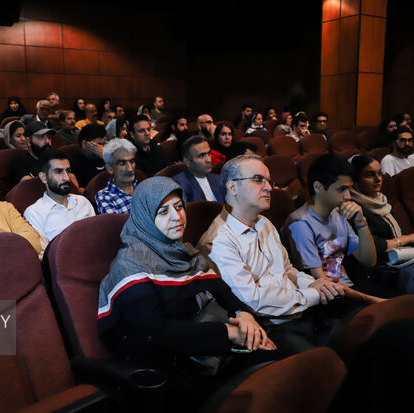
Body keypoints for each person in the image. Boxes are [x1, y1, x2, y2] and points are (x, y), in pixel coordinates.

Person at [98, 177, 277, 406]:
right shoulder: (130, 266)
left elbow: (222, 290)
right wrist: (231, 334)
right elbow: (158, 332)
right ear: (145, 218)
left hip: (204, 348)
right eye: (163, 211)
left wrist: (244, 314)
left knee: (277, 366)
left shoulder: (184, 253)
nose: (177, 217)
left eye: (179, 206)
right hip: (171, 367)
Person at [197, 155, 373, 355]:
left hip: (303, 311)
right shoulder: (218, 241)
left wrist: (316, 283)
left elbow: (287, 269)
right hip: (271, 326)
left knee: (365, 338)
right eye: (257, 179)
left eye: (268, 181)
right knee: (328, 364)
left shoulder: (264, 223)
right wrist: (315, 293)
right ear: (232, 188)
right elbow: (254, 301)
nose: (269, 187)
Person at [283, 154, 386, 299]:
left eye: (349, 189)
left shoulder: (338, 214)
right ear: (318, 187)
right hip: (327, 298)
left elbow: (369, 260)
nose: (348, 196)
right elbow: (321, 281)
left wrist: (361, 223)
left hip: (348, 289)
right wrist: (374, 301)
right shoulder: (300, 224)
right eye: (341, 189)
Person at [350, 155, 414, 293]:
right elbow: (375, 246)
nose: (378, 179)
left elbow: (399, 231)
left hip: (402, 256)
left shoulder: (381, 200)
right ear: (355, 178)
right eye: (369, 175)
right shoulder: (353, 208)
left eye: (380, 173)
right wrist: (406, 239)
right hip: (383, 267)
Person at [24, 150, 95, 250]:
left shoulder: (83, 202)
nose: (66, 178)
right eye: (58, 172)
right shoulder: (35, 213)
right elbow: (44, 257)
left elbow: (97, 238)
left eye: (68, 171)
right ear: (44, 177)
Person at [173, 136, 224, 203]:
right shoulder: (179, 185)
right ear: (187, 162)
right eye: (201, 156)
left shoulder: (217, 179)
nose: (209, 160)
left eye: (208, 153)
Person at [96, 138, 137, 214]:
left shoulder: (143, 186)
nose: (130, 169)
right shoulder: (105, 197)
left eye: (132, 161)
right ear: (110, 168)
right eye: (122, 163)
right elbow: (117, 225)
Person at [8, 121, 55, 186]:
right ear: (28, 141)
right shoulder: (19, 163)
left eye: (49, 137)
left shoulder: (56, 159)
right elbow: (31, 187)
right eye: (41, 137)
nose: (47, 141)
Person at [70, 124, 106, 188]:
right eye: (99, 144)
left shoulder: (106, 159)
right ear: (84, 144)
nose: (102, 148)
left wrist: (107, 158)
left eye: (103, 144)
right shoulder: (74, 163)